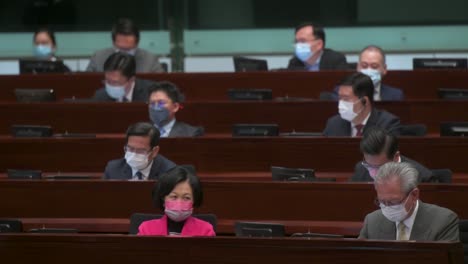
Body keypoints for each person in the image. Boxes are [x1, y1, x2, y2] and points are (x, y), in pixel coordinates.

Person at [359, 162, 459, 241]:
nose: (387, 207)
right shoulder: (372, 222)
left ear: (414, 195)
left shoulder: (444, 221)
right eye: (381, 201)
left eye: (393, 201)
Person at [138, 166, 216, 236]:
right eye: (174, 197)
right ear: (163, 199)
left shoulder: (206, 231)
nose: (179, 203)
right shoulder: (146, 230)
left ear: (194, 200)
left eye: (186, 198)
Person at [323, 72, 401, 136]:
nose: (341, 103)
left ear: (365, 101)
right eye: (340, 98)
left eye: (346, 99)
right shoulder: (334, 124)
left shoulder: (387, 124)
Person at [351, 127, 433, 182]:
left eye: (379, 167)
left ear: (396, 157)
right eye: (368, 165)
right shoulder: (360, 170)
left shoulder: (422, 179)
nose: (374, 173)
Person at [86, 18, 164, 73]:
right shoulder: (99, 57)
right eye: (120, 49)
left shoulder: (149, 60)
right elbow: (86, 83)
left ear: (137, 44)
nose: (124, 54)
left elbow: (161, 85)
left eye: (128, 50)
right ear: (113, 43)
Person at [103, 122, 176, 180]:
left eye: (141, 151)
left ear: (154, 151)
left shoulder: (169, 172)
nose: (134, 154)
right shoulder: (113, 169)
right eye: (130, 149)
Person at [92, 52, 156, 102]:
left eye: (115, 82)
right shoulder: (100, 96)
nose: (110, 86)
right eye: (108, 81)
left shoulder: (152, 93)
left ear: (131, 80)